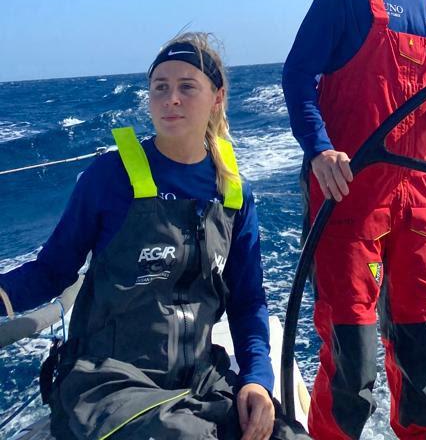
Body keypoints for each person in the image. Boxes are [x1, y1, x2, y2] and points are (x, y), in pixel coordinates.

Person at [0, 33, 293, 440]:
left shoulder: (234, 194)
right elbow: (52, 270)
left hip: (197, 379)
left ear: (217, 97)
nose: (171, 98)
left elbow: (247, 301)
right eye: (160, 87)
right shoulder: (110, 176)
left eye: (187, 86)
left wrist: (257, 380)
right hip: (104, 381)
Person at [282, 0, 426, 440]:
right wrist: (319, 149)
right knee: (354, 357)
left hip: (415, 202)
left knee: (424, 346)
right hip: (348, 195)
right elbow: (298, 76)